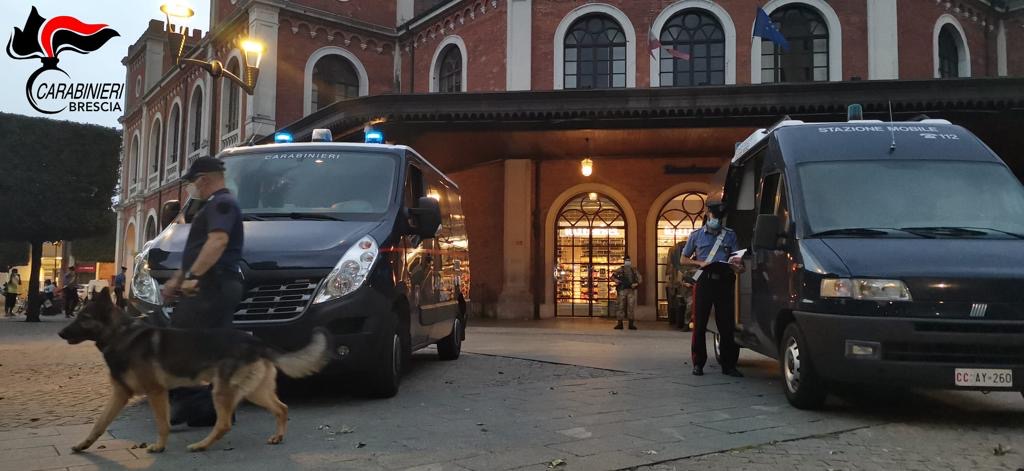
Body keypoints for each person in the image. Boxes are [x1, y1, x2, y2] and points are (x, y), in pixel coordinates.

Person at [161, 156, 245, 427]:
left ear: (203, 179)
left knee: (178, 344)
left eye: (192, 182)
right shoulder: (218, 204)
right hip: (212, 286)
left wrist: (193, 276)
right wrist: (178, 278)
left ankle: (190, 402)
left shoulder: (221, 203)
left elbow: (218, 241)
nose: (191, 188)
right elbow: (200, 248)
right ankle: (212, 410)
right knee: (211, 349)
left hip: (211, 287)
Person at [679, 203, 745, 377]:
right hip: (704, 283)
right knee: (699, 324)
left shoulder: (730, 235)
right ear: (708, 214)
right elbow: (684, 259)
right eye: (714, 216)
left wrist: (737, 265)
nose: (717, 220)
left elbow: (737, 260)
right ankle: (698, 363)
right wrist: (700, 263)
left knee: (726, 326)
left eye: (719, 217)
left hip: (724, 283)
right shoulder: (697, 236)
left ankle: (728, 365)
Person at [612, 256, 641, 330]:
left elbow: (640, 279)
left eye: (628, 260)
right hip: (622, 290)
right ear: (624, 261)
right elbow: (612, 276)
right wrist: (616, 280)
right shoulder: (620, 269)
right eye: (626, 260)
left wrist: (636, 283)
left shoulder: (634, 270)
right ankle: (620, 323)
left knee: (631, 307)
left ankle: (631, 324)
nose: (627, 262)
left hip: (631, 290)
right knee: (620, 306)